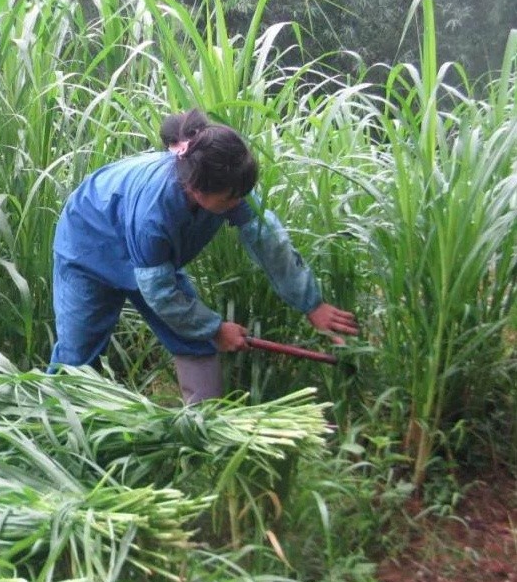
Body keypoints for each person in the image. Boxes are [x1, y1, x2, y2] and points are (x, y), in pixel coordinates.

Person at [49, 109, 358, 403]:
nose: (238, 203)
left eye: (241, 195)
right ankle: (57, 429)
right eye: (229, 199)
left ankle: (203, 431)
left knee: (194, 338)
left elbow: (268, 240)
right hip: (87, 245)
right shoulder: (154, 218)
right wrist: (215, 328)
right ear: (196, 190)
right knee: (77, 359)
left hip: (146, 253)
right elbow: (161, 293)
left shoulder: (228, 182)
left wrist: (312, 304)